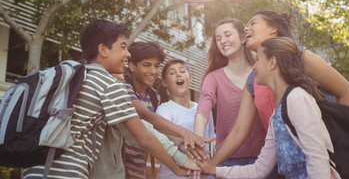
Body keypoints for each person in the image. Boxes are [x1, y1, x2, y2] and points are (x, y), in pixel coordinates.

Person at [22, 20, 189, 178]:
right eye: (123, 47)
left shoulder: (74, 75)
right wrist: (178, 168)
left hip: (34, 169)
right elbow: (143, 135)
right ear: (103, 50)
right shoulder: (108, 84)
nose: (127, 53)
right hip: (67, 172)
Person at [209, 10, 349, 168]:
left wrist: (333, 139)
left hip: (323, 161)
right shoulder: (253, 80)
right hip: (284, 166)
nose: (246, 29)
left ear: (272, 29)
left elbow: (347, 92)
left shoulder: (301, 57)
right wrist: (211, 165)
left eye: (252, 23)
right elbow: (239, 131)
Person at [196, 37, 341, 178]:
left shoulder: (298, 99)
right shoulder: (276, 114)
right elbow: (259, 170)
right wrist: (212, 169)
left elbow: (317, 160)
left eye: (258, 59)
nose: (254, 66)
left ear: (272, 62)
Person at [124, 41, 207, 179]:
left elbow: (157, 129)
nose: (153, 71)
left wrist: (182, 145)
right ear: (132, 65)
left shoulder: (154, 96)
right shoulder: (123, 87)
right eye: (146, 65)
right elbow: (145, 115)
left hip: (138, 168)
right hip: (119, 166)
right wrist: (184, 132)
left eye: (156, 66)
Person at [194, 19, 266, 168]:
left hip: (264, 161)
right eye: (218, 39)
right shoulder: (213, 78)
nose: (222, 41)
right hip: (227, 161)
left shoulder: (262, 73)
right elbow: (202, 110)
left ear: (242, 38)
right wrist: (197, 138)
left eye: (227, 35)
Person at [156, 59, 215, 179]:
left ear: (190, 78)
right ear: (164, 82)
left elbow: (208, 142)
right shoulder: (164, 110)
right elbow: (161, 136)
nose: (178, 74)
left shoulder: (203, 109)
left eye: (182, 71)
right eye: (172, 73)